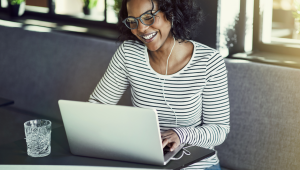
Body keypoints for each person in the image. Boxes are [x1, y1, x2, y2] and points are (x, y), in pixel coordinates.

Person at [88, 0, 230, 169]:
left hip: (196, 165)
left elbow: (219, 130)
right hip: (145, 162)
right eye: (133, 21)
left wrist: (181, 134)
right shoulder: (128, 54)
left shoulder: (209, 62)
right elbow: (97, 107)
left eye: (148, 17)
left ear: (171, 13)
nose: (140, 29)